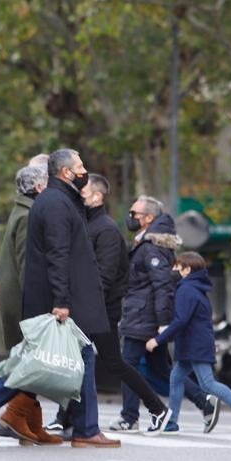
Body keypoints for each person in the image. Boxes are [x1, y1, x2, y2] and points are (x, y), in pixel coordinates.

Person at [0, 148, 119, 449]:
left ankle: (83, 428)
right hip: (58, 300)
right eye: (80, 166)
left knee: (59, 360)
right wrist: (61, 301)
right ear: (66, 172)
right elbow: (58, 256)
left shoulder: (56, 200)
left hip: (58, 297)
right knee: (49, 361)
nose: (85, 171)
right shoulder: (57, 204)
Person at [119, 195, 218, 434]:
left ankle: (129, 417)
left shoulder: (152, 247)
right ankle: (204, 404)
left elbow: (162, 285)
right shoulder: (146, 242)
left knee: (127, 364)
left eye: (135, 214)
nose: (130, 217)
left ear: (148, 218)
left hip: (145, 317)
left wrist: (163, 322)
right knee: (163, 370)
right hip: (144, 314)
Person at [82, 175, 169, 435]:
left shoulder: (106, 230)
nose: (131, 216)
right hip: (104, 309)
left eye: (84, 190)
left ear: (97, 196)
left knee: (116, 362)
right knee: (92, 361)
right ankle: (67, 417)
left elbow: (105, 277)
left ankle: (155, 408)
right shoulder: (89, 225)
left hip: (104, 311)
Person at [147, 251, 231, 437]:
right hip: (194, 343)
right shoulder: (195, 288)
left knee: (208, 384)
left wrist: (158, 340)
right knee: (176, 378)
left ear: (187, 270)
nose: (173, 270)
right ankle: (171, 421)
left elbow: (181, 320)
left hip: (195, 345)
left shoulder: (186, 289)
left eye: (177, 267)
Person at [0, 163, 53, 441]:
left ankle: (32, 425)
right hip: (25, 301)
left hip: (18, 298)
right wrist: (38, 306)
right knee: (28, 363)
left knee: (29, 362)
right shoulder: (28, 216)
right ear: (39, 187)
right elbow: (29, 267)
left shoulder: (22, 210)